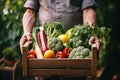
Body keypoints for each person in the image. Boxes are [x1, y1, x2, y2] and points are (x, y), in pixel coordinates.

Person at [20, 0, 100, 80]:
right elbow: (30, 11)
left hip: (74, 46)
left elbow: (88, 10)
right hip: (44, 51)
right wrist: (26, 32)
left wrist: (92, 32)